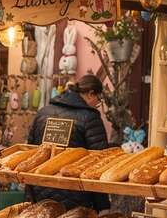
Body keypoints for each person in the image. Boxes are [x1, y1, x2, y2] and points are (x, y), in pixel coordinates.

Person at [27, 74, 111, 210]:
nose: (97, 104)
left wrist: (29, 193)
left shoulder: (43, 113)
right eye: (98, 99)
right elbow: (98, 164)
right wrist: (103, 206)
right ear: (90, 94)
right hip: (77, 198)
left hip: (39, 191)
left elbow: (31, 153)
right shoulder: (90, 118)